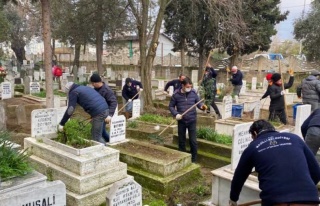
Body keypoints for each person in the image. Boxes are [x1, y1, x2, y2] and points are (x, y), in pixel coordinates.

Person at [229, 119, 320, 206]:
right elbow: (316, 172)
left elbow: (239, 177)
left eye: (252, 138)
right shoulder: (295, 138)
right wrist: (305, 190)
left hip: (277, 201)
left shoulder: (253, 147)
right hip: (310, 199)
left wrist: (233, 199)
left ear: (255, 133)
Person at [169, 77, 207, 163]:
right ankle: (182, 158)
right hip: (181, 121)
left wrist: (202, 107)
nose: (189, 88)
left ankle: (194, 160)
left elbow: (198, 103)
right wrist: (176, 114)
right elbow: (171, 106)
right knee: (181, 140)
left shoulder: (193, 93)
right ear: (182, 85)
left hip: (192, 120)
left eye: (190, 86)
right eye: (187, 86)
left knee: (193, 141)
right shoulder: (176, 95)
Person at [90, 73, 118, 142]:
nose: (92, 85)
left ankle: (106, 144)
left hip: (104, 113)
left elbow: (113, 102)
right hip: (97, 113)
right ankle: (110, 141)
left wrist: (110, 115)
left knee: (99, 132)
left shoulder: (107, 91)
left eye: (93, 83)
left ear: (97, 82)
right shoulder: (95, 89)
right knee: (101, 131)